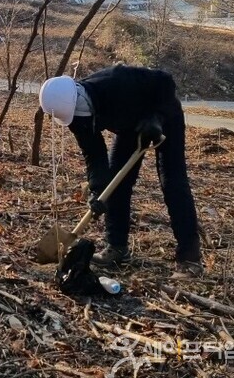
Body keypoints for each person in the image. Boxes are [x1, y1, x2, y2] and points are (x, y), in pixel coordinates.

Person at [38, 65, 203, 275]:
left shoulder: (116, 81)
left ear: (80, 100)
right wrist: (99, 191)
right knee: (116, 183)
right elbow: (94, 156)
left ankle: (190, 258)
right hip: (128, 127)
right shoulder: (76, 118)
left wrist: (157, 118)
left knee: (172, 181)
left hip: (163, 116)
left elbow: (165, 79)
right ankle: (117, 247)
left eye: (82, 116)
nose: (81, 122)